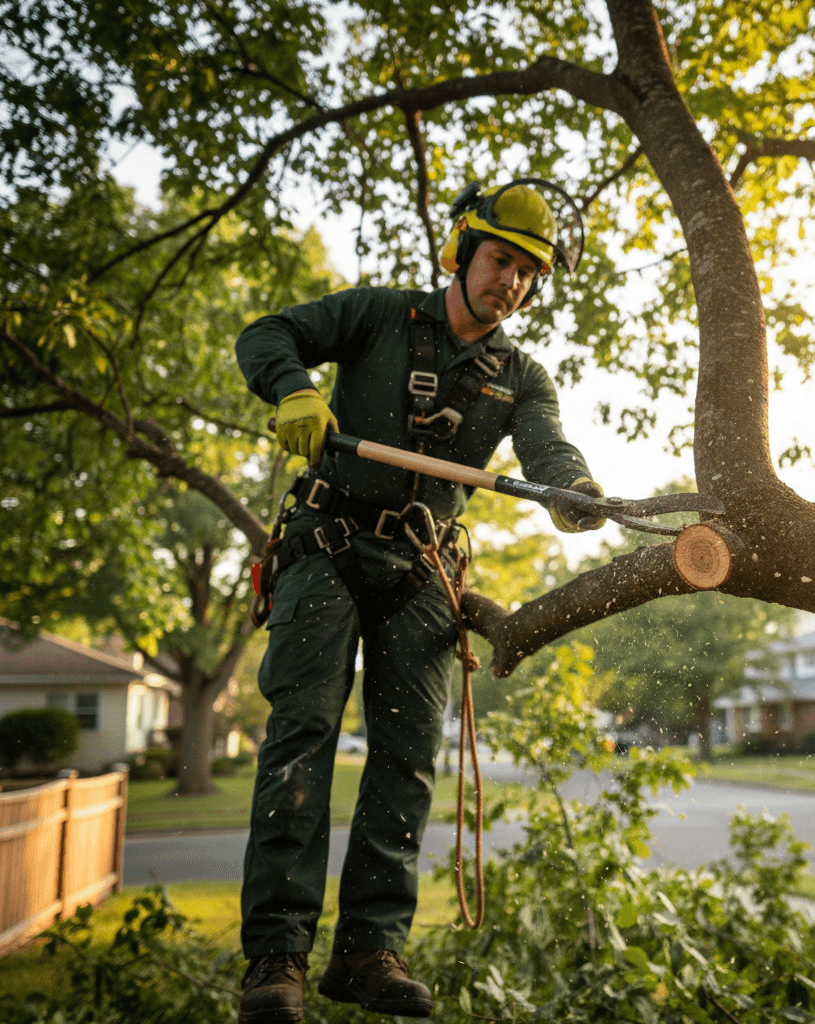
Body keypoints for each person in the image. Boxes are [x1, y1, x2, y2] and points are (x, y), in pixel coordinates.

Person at [235, 177, 603, 1023]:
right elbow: (271, 331)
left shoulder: (520, 376)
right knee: (301, 741)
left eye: (527, 273)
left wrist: (570, 489)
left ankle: (368, 951)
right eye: (500, 258)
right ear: (463, 250)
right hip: (326, 544)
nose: (509, 280)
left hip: (421, 570)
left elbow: (548, 445)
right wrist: (294, 386)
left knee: (406, 761)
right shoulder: (378, 315)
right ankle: (275, 961)